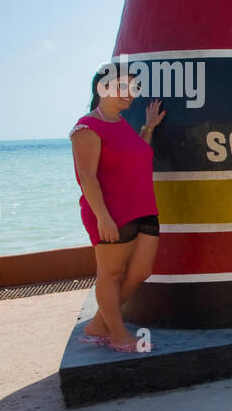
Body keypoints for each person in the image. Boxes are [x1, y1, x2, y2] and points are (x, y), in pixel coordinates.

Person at [71, 65, 166, 353]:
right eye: (123, 87)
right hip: (111, 212)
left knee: (141, 271)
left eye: (133, 89)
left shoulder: (120, 123)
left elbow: (137, 155)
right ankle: (117, 334)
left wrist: (148, 127)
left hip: (144, 207)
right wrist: (103, 217)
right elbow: (86, 176)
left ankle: (99, 325)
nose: (130, 94)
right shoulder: (87, 127)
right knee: (110, 275)